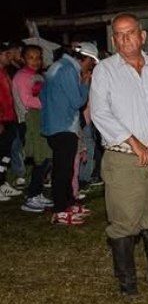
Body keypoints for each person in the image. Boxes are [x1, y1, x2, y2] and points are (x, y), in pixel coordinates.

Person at [90, 12, 148, 296]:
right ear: (113, 40)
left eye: (130, 33)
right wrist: (133, 142)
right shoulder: (105, 70)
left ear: (143, 36)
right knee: (124, 220)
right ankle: (127, 280)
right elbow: (100, 113)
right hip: (123, 158)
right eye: (119, 34)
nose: (125, 39)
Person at [40, 42, 98, 224]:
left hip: (55, 125)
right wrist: (85, 84)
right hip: (63, 126)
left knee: (65, 168)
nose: (92, 66)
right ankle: (59, 210)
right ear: (86, 58)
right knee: (63, 171)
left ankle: (68, 204)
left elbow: (43, 96)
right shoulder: (68, 70)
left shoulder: (57, 67)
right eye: (92, 62)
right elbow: (78, 101)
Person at [14, 44, 53, 212]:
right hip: (30, 122)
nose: (35, 61)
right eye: (31, 57)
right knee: (41, 158)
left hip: (40, 121)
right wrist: (50, 102)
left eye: (38, 57)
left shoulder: (38, 76)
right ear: (23, 59)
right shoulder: (22, 77)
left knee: (45, 158)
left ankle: (36, 192)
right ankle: (32, 197)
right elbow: (27, 101)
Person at [0, 42, 21, 202]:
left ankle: (2, 182)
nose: (9, 57)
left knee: (5, 153)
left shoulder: (5, 72)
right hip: (2, 120)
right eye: (6, 54)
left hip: (10, 118)